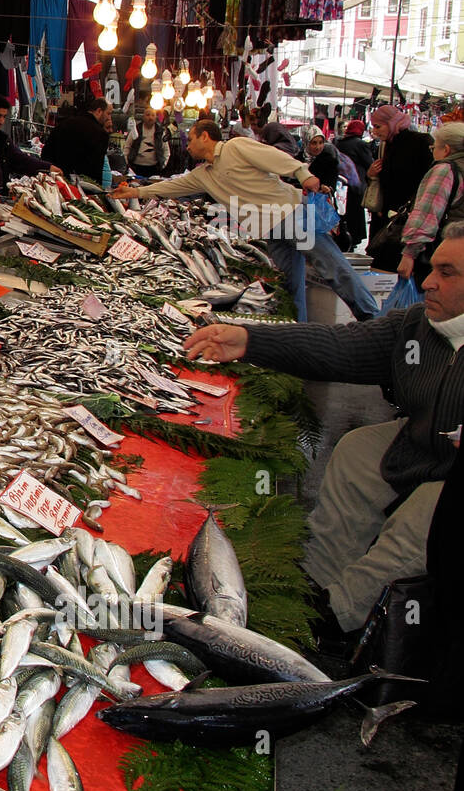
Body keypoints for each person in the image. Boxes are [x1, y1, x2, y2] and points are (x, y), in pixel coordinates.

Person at [181, 223, 464, 636]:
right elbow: (342, 346)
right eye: (432, 269)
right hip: (424, 445)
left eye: (447, 272)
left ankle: (339, 619)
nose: (429, 283)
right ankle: (313, 580)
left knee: (421, 522)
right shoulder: (418, 327)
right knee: (356, 452)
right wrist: (248, 341)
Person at [111, 119, 380, 321]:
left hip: (291, 215)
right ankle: (298, 333)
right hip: (270, 229)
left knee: (331, 266)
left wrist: (302, 174)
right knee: (289, 283)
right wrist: (135, 192)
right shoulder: (204, 173)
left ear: (205, 136)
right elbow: (173, 187)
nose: (188, 145)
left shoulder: (236, 147)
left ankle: (372, 319)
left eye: (191, 139)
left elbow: (274, 157)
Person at [399, 122, 464, 288]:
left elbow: (427, 214)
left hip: (447, 247)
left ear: (447, 149)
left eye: (434, 148)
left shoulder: (445, 170)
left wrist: (409, 254)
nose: (433, 152)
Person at [367, 104, 434, 265]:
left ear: (392, 123)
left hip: (409, 217)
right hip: (386, 217)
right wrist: (370, 175)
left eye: (378, 126)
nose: (375, 132)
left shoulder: (421, 142)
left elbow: (429, 180)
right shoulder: (385, 146)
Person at [0, 93, 58, 195]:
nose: (1, 121)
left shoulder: (3, 140)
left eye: (4, 117)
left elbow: (21, 160)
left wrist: (48, 167)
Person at [42, 97, 112, 183]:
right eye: (108, 113)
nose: (109, 118)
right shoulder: (100, 134)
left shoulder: (65, 123)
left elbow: (46, 152)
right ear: (99, 111)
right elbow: (95, 169)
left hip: (55, 180)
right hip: (81, 187)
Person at [335, 119, 375, 247]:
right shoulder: (360, 144)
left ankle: (343, 237)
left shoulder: (338, 142)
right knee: (355, 212)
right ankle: (355, 238)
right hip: (356, 182)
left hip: (341, 182)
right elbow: (369, 163)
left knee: (342, 211)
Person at [124, 106, 170, 178]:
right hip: (136, 167)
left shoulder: (160, 132)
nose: (150, 118)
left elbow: (166, 150)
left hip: (154, 168)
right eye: (148, 115)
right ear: (143, 117)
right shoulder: (136, 129)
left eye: (152, 115)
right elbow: (127, 146)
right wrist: (127, 162)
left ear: (155, 117)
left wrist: (163, 164)